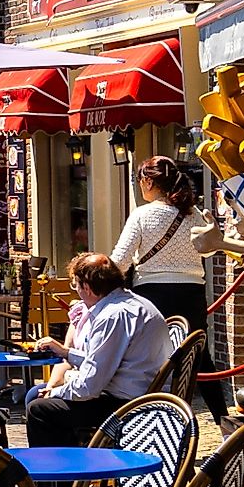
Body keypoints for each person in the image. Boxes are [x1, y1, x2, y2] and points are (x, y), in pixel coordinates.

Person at [24, 252, 171, 445]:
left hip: (128, 404)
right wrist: (67, 353)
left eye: (75, 285)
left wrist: (55, 392)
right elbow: (105, 361)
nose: (75, 290)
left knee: (39, 410)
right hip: (139, 392)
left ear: (87, 287)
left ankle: (60, 472)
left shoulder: (113, 316)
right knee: (36, 395)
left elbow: (89, 387)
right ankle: (72, 461)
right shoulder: (132, 303)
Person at [112, 154, 216, 405]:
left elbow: (120, 261)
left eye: (139, 181)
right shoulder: (193, 215)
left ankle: (146, 411)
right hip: (192, 293)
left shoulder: (142, 215)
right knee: (200, 356)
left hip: (152, 294)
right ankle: (222, 420)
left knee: (151, 358)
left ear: (148, 182)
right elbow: (209, 250)